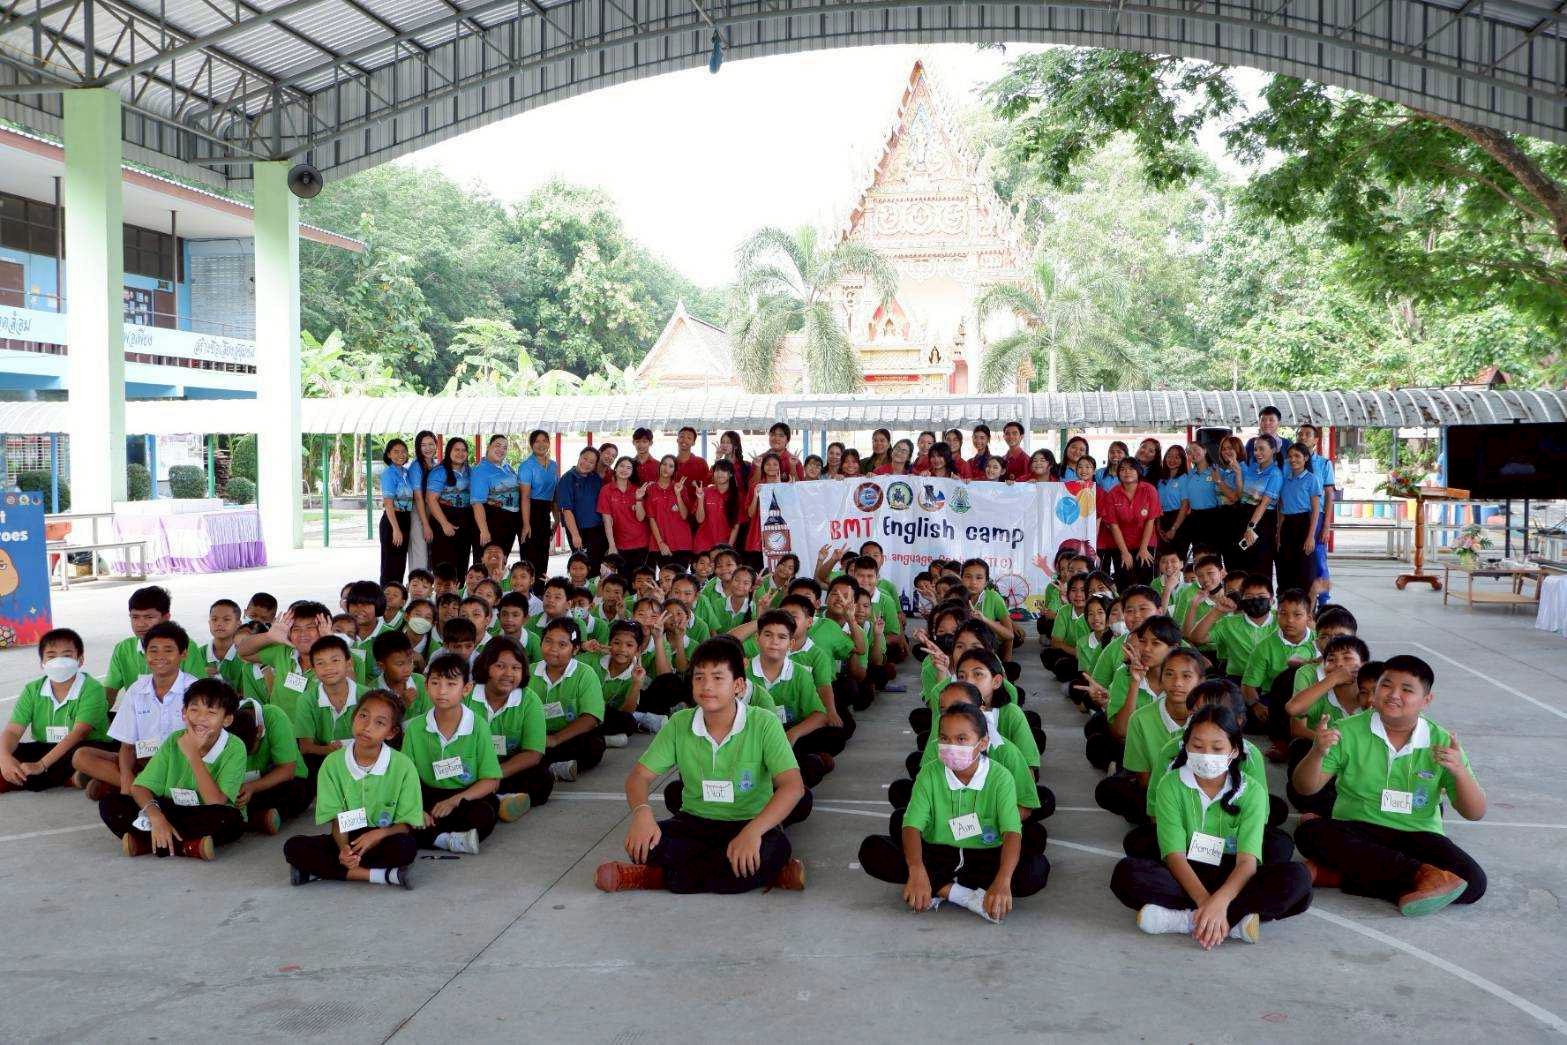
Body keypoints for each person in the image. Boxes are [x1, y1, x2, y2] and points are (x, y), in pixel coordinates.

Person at [595, 638, 805, 893]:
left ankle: (655, 877)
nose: (707, 686)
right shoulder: (679, 723)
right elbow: (639, 777)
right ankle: (765, 872)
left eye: (717, 678)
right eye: (699, 677)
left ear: (738, 685)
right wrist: (642, 814)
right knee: (644, 845)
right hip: (695, 822)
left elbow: (793, 786)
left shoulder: (764, 723)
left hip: (749, 821)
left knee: (774, 848)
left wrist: (753, 832)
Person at [1292, 655, 1487, 915]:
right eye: (1386, 685)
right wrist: (1317, 752)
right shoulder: (1346, 730)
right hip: (1358, 829)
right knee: (1310, 833)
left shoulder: (1441, 741)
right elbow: (1305, 788)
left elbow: (1475, 812)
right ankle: (1421, 875)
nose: (1393, 695)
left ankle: (1337, 874)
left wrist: (1460, 772)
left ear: (1426, 700)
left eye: (1406, 689)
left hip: (1418, 833)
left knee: (1474, 883)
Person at [1110, 705, 1312, 945]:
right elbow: (1174, 856)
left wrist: (1221, 901)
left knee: (1299, 880)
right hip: (1187, 868)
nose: (1206, 755)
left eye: (1217, 748)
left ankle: (1185, 920)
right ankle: (1232, 921)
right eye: (1197, 746)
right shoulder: (1170, 784)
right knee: (1126, 874)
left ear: (1234, 751)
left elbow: (1247, 862)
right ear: (1186, 746)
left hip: (1233, 872)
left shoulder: (1252, 791)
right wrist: (1206, 901)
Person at [859, 702, 1049, 922]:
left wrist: (1003, 880)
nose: (951, 746)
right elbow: (911, 825)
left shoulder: (1001, 777)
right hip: (937, 854)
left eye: (961, 739)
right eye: (944, 738)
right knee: (872, 849)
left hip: (985, 855)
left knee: (1035, 870)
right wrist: (917, 868)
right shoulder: (930, 773)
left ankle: (939, 886)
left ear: (982, 743)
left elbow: (1012, 832)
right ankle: (958, 893)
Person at [99, 677, 250, 860]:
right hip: (170, 809)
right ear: (184, 712)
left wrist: (193, 755)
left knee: (227, 820)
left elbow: (215, 802)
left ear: (227, 719)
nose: (200, 718)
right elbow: (139, 787)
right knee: (111, 804)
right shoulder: (174, 740)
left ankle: (151, 843)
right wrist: (156, 817)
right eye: (194, 710)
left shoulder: (234, 747)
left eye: (211, 713)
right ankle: (188, 845)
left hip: (207, 811)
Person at [283, 688, 421, 888]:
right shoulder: (332, 763)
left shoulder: (403, 766)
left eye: (379, 723)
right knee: (293, 847)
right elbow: (337, 820)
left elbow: (406, 823)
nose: (367, 727)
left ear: (391, 732)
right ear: (353, 717)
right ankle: (383, 876)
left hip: (384, 836)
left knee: (405, 847)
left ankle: (318, 872)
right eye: (363, 716)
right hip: (347, 837)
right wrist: (343, 850)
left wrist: (377, 835)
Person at [72, 621, 197, 800]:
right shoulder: (137, 689)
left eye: (168, 650)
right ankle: (138, 787)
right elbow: (127, 746)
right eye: (153, 650)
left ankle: (130, 787)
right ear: (145, 654)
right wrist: (125, 777)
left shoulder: (196, 690)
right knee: (81, 756)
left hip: (182, 765)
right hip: (144, 760)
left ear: (183, 654)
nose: (160, 656)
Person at [402, 652, 502, 854]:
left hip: (465, 794)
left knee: (486, 811)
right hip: (427, 794)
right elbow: (404, 777)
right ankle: (446, 840)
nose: (442, 691)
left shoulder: (478, 726)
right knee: (403, 818)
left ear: (466, 688)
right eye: (435, 683)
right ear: (426, 686)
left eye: (451, 684)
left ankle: (436, 836)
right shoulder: (415, 728)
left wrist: (453, 801)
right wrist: (415, 808)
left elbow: (491, 780)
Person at [1, 628, 112, 794]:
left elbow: (79, 733)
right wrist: (5, 758)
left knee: (80, 756)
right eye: (51, 656)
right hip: (46, 746)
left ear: (80, 660)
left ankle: (69, 777)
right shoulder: (32, 690)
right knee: (6, 751)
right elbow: (13, 731)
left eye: (67, 655)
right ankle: (75, 778)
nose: (59, 662)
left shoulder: (92, 689)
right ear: (42, 663)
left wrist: (41, 765)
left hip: (83, 745)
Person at [468, 638, 552, 818]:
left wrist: (495, 774)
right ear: (486, 666)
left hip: (507, 768)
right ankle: (500, 800)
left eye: (516, 668)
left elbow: (533, 753)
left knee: (542, 778)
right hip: (471, 767)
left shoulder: (530, 700)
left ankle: (493, 799)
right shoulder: (465, 695)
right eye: (500, 666)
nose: (508, 674)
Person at [528, 619, 607, 782]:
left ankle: (552, 767)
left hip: (570, 735)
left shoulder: (585, 673)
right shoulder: (529, 672)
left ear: (575, 649)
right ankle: (554, 768)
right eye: (548, 641)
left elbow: (590, 718)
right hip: (536, 736)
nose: (553, 649)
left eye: (562, 644)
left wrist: (555, 739)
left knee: (593, 743)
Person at [101, 585, 204, 702]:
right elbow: (110, 690)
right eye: (135, 617)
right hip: (137, 711)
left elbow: (201, 693)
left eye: (149, 617)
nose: (141, 624)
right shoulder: (123, 648)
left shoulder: (186, 646)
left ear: (166, 618)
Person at [234, 697, 310, 835]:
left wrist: (252, 787)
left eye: (249, 752)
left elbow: (288, 770)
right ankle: (258, 819)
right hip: (243, 785)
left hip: (279, 781)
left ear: (259, 731)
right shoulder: (223, 723)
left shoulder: (275, 717)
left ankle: (251, 819)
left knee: (299, 792)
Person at [1101, 456, 1160, 586]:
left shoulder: (1149, 490)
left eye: (1131, 469)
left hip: (1146, 543)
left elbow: (1150, 521)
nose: (1127, 472)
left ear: (1138, 472)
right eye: (1122, 469)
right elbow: (1114, 525)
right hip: (1121, 544)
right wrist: (1124, 552)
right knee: (1124, 583)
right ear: (1118, 474)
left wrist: (1143, 548)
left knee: (1146, 583)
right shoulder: (1112, 494)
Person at [1276, 442, 1324, 596]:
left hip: (1304, 524)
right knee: (1286, 569)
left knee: (1305, 570)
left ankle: (1306, 607)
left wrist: (1311, 536)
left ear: (1306, 458)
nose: (1293, 459)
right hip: (1287, 525)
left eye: (1297, 456)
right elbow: (1282, 509)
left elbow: (1316, 510)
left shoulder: (1312, 479)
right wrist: (1279, 533)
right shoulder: (1285, 480)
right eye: (1290, 456)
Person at [1296, 423, 1337, 605]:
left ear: (1315, 440)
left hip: (1317, 516)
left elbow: (1329, 495)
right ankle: (1303, 599)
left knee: (1318, 558)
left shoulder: (1324, 464)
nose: (1303, 437)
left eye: (1307, 434)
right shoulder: (1292, 462)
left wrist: (1326, 526)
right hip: (1296, 516)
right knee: (1300, 559)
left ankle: (1323, 602)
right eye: (1300, 434)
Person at [1235, 436, 1284, 581]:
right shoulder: (1252, 468)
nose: (1257, 453)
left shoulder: (1275, 473)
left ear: (1273, 450)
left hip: (1261, 521)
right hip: (1244, 516)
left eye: (1262, 449)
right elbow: (1242, 495)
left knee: (1260, 566)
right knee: (1245, 565)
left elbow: (1263, 504)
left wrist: (1251, 527)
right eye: (1255, 449)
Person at [424, 437, 475, 574]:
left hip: (465, 519)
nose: (461, 453)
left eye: (464, 450)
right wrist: (444, 524)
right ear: (449, 451)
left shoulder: (469, 471)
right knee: (444, 564)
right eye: (457, 450)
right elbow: (431, 499)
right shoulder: (440, 471)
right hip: (444, 518)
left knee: (462, 563)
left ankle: (459, 587)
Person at [517, 429, 560, 587]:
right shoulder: (526, 466)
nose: (541, 444)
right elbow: (525, 497)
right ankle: (526, 591)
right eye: (537, 441)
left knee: (543, 554)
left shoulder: (553, 465)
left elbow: (554, 494)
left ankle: (540, 592)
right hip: (529, 512)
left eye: (545, 440)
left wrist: (557, 519)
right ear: (531, 444)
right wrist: (526, 524)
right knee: (530, 557)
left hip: (544, 513)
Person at [470, 434, 521, 560]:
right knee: (487, 562)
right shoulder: (481, 470)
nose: (501, 450)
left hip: (509, 521)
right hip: (492, 520)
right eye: (497, 446)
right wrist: (484, 530)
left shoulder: (507, 467)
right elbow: (477, 503)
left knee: (501, 561)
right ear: (488, 447)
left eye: (505, 447)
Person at [557, 445, 607, 573]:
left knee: (596, 566)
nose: (587, 463)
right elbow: (566, 510)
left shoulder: (595, 478)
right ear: (579, 457)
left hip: (597, 530)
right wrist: (575, 535)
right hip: (578, 530)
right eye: (585, 458)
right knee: (582, 566)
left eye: (591, 462)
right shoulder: (567, 478)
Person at [599, 455, 651, 573]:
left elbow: (640, 518)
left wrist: (638, 498)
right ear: (615, 468)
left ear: (632, 472)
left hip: (641, 542)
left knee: (638, 579)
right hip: (620, 543)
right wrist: (612, 545)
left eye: (629, 468)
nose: (624, 470)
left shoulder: (637, 490)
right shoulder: (606, 490)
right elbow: (607, 520)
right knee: (623, 578)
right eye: (621, 466)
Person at [639, 455, 693, 566]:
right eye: (664, 464)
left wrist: (678, 494)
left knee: (681, 576)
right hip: (660, 544)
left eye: (671, 466)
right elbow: (651, 518)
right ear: (659, 466)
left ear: (674, 470)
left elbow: (684, 516)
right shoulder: (650, 489)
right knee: (665, 575)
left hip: (682, 543)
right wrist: (661, 543)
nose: (666, 468)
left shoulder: (680, 488)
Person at [378, 438, 417, 586]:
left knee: (400, 563)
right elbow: (388, 503)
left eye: (403, 451)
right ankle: (386, 595)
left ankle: (398, 594)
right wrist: (395, 529)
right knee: (390, 564)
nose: (400, 454)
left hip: (405, 518)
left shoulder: (406, 473)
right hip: (393, 520)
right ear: (388, 454)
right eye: (396, 451)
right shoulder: (389, 473)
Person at [405, 430, 442, 574]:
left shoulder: (435, 465)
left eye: (431, 444)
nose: (428, 448)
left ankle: (427, 584)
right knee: (419, 552)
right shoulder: (416, 467)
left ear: (436, 445)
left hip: (433, 510)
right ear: (418, 447)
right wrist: (425, 524)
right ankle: (417, 583)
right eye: (423, 445)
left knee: (431, 553)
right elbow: (419, 497)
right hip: (419, 512)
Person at [694, 460, 742, 554]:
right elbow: (699, 520)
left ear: (730, 474)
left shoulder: (737, 496)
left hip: (725, 546)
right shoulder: (705, 491)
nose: (720, 473)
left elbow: (736, 525)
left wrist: (729, 547)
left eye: (724, 470)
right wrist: (700, 499)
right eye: (717, 470)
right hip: (703, 545)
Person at [1155, 444, 1189, 559]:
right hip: (1162, 518)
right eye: (1169, 456)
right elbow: (1158, 504)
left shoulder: (1184, 478)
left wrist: (1174, 528)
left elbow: (1185, 505)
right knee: (1163, 558)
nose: (1172, 460)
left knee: (1178, 558)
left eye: (1177, 457)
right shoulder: (1161, 479)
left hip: (1179, 520)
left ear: (1182, 460)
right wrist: (1158, 526)